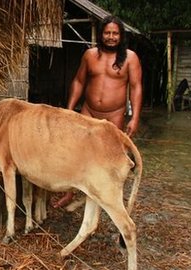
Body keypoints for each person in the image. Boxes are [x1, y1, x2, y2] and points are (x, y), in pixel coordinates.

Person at [52, 15, 143, 209]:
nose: (111, 37)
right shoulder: (90, 55)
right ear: (101, 35)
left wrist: (135, 117)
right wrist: (69, 109)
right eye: (107, 33)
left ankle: (105, 197)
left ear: (121, 35)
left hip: (114, 114)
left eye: (115, 33)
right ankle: (70, 192)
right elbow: (79, 81)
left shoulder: (130, 58)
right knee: (76, 152)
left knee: (108, 158)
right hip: (88, 111)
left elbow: (136, 88)